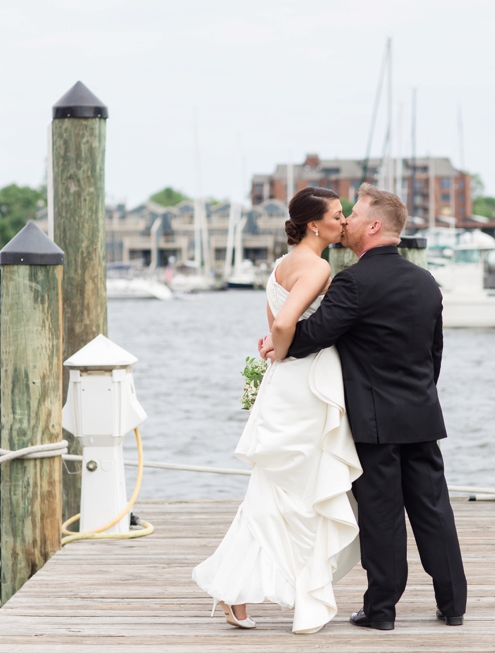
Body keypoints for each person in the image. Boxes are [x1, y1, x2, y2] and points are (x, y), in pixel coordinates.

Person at [262, 183, 468, 631]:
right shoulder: (426, 282)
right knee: (434, 508)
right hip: (422, 413)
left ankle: (382, 610)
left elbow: (315, 334)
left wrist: (276, 344)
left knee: (382, 514)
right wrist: (418, 396)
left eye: (354, 215)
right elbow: (434, 353)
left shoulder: (355, 281)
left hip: (375, 420)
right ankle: (453, 604)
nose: (347, 221)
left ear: (374, 226)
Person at [192, 187, 362, 634]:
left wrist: (276, 350)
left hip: (286, 385)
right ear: (314, 224)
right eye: (338, 215)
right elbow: (285, 325)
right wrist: (283, 352)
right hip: (305, 383)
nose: (344, 222)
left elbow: (272, 325)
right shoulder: (319, 266)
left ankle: (237, 591)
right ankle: (248, 590)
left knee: (276, 491)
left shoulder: (281, 265)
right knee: (299, 494)